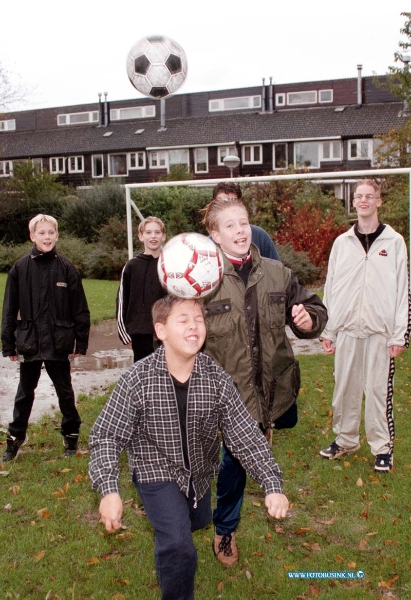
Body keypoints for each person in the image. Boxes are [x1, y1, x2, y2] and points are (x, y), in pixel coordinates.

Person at [89, 296, 289, 600]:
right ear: (161, 331)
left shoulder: (216, 378)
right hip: (155, 471)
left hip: (198, 473)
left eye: (199, 319)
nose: (194, 326)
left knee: (196, 522)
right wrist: (108, 489)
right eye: (183, 320)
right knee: (178, 544)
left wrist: (272, 484)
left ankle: (172, 547)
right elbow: (107, 435)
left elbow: (245, 435)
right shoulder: (137, 380)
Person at [201, 196, 327, 566]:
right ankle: (225, 530)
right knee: (234, 465)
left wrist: (310, 321)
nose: (240, 230)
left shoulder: (277, 272)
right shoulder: (202, 281)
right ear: (214, 235)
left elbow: (313, 308)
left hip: (275, 388)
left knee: (282, 421)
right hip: (231, 396)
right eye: (230, 225)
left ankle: (266, 432)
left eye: (244, 222)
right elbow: (184, 335)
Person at [319, 179, 410, 472]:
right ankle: (345, 439)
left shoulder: (394, 243)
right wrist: (329, 330)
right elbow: (331, 287)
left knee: (376, 391)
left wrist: (399, 334)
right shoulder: (342, 243)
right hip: (346, 329)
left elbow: (402, 291)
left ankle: (382, 447)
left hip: (379, 333)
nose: (364, 201)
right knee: (344, 387)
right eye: (359, 196)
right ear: (354, 202)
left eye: (370, 196)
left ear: (379, 202)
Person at [1, 214, 90, 461]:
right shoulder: (19, 269)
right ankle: (16, 437)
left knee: (65, 392)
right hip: (30, 342)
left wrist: (80, 342)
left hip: (59, 342)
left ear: (57, 235)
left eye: (51, 232)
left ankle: (71, 435)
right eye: (41, 233)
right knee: (24, 393)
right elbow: (9, 309)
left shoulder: (67, 268)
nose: (46, 237)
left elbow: (80, 309)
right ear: (32, 236)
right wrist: (8, 343)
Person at [116, 216, 167, 362]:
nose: (153, 236)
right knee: (144, 377)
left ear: (163, 236)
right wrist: (125, 334)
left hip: (167, 331)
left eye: (157, 232)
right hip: (140, 333)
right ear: (140, 236)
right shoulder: (132, 266)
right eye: (148, 232)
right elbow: (121, 301)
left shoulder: (170, 264)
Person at [211, 182, 280, 260]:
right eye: (222, 202)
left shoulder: (260, 236)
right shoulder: (207, 246)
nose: (228, 207)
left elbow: (276, 268)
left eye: (233, 201)